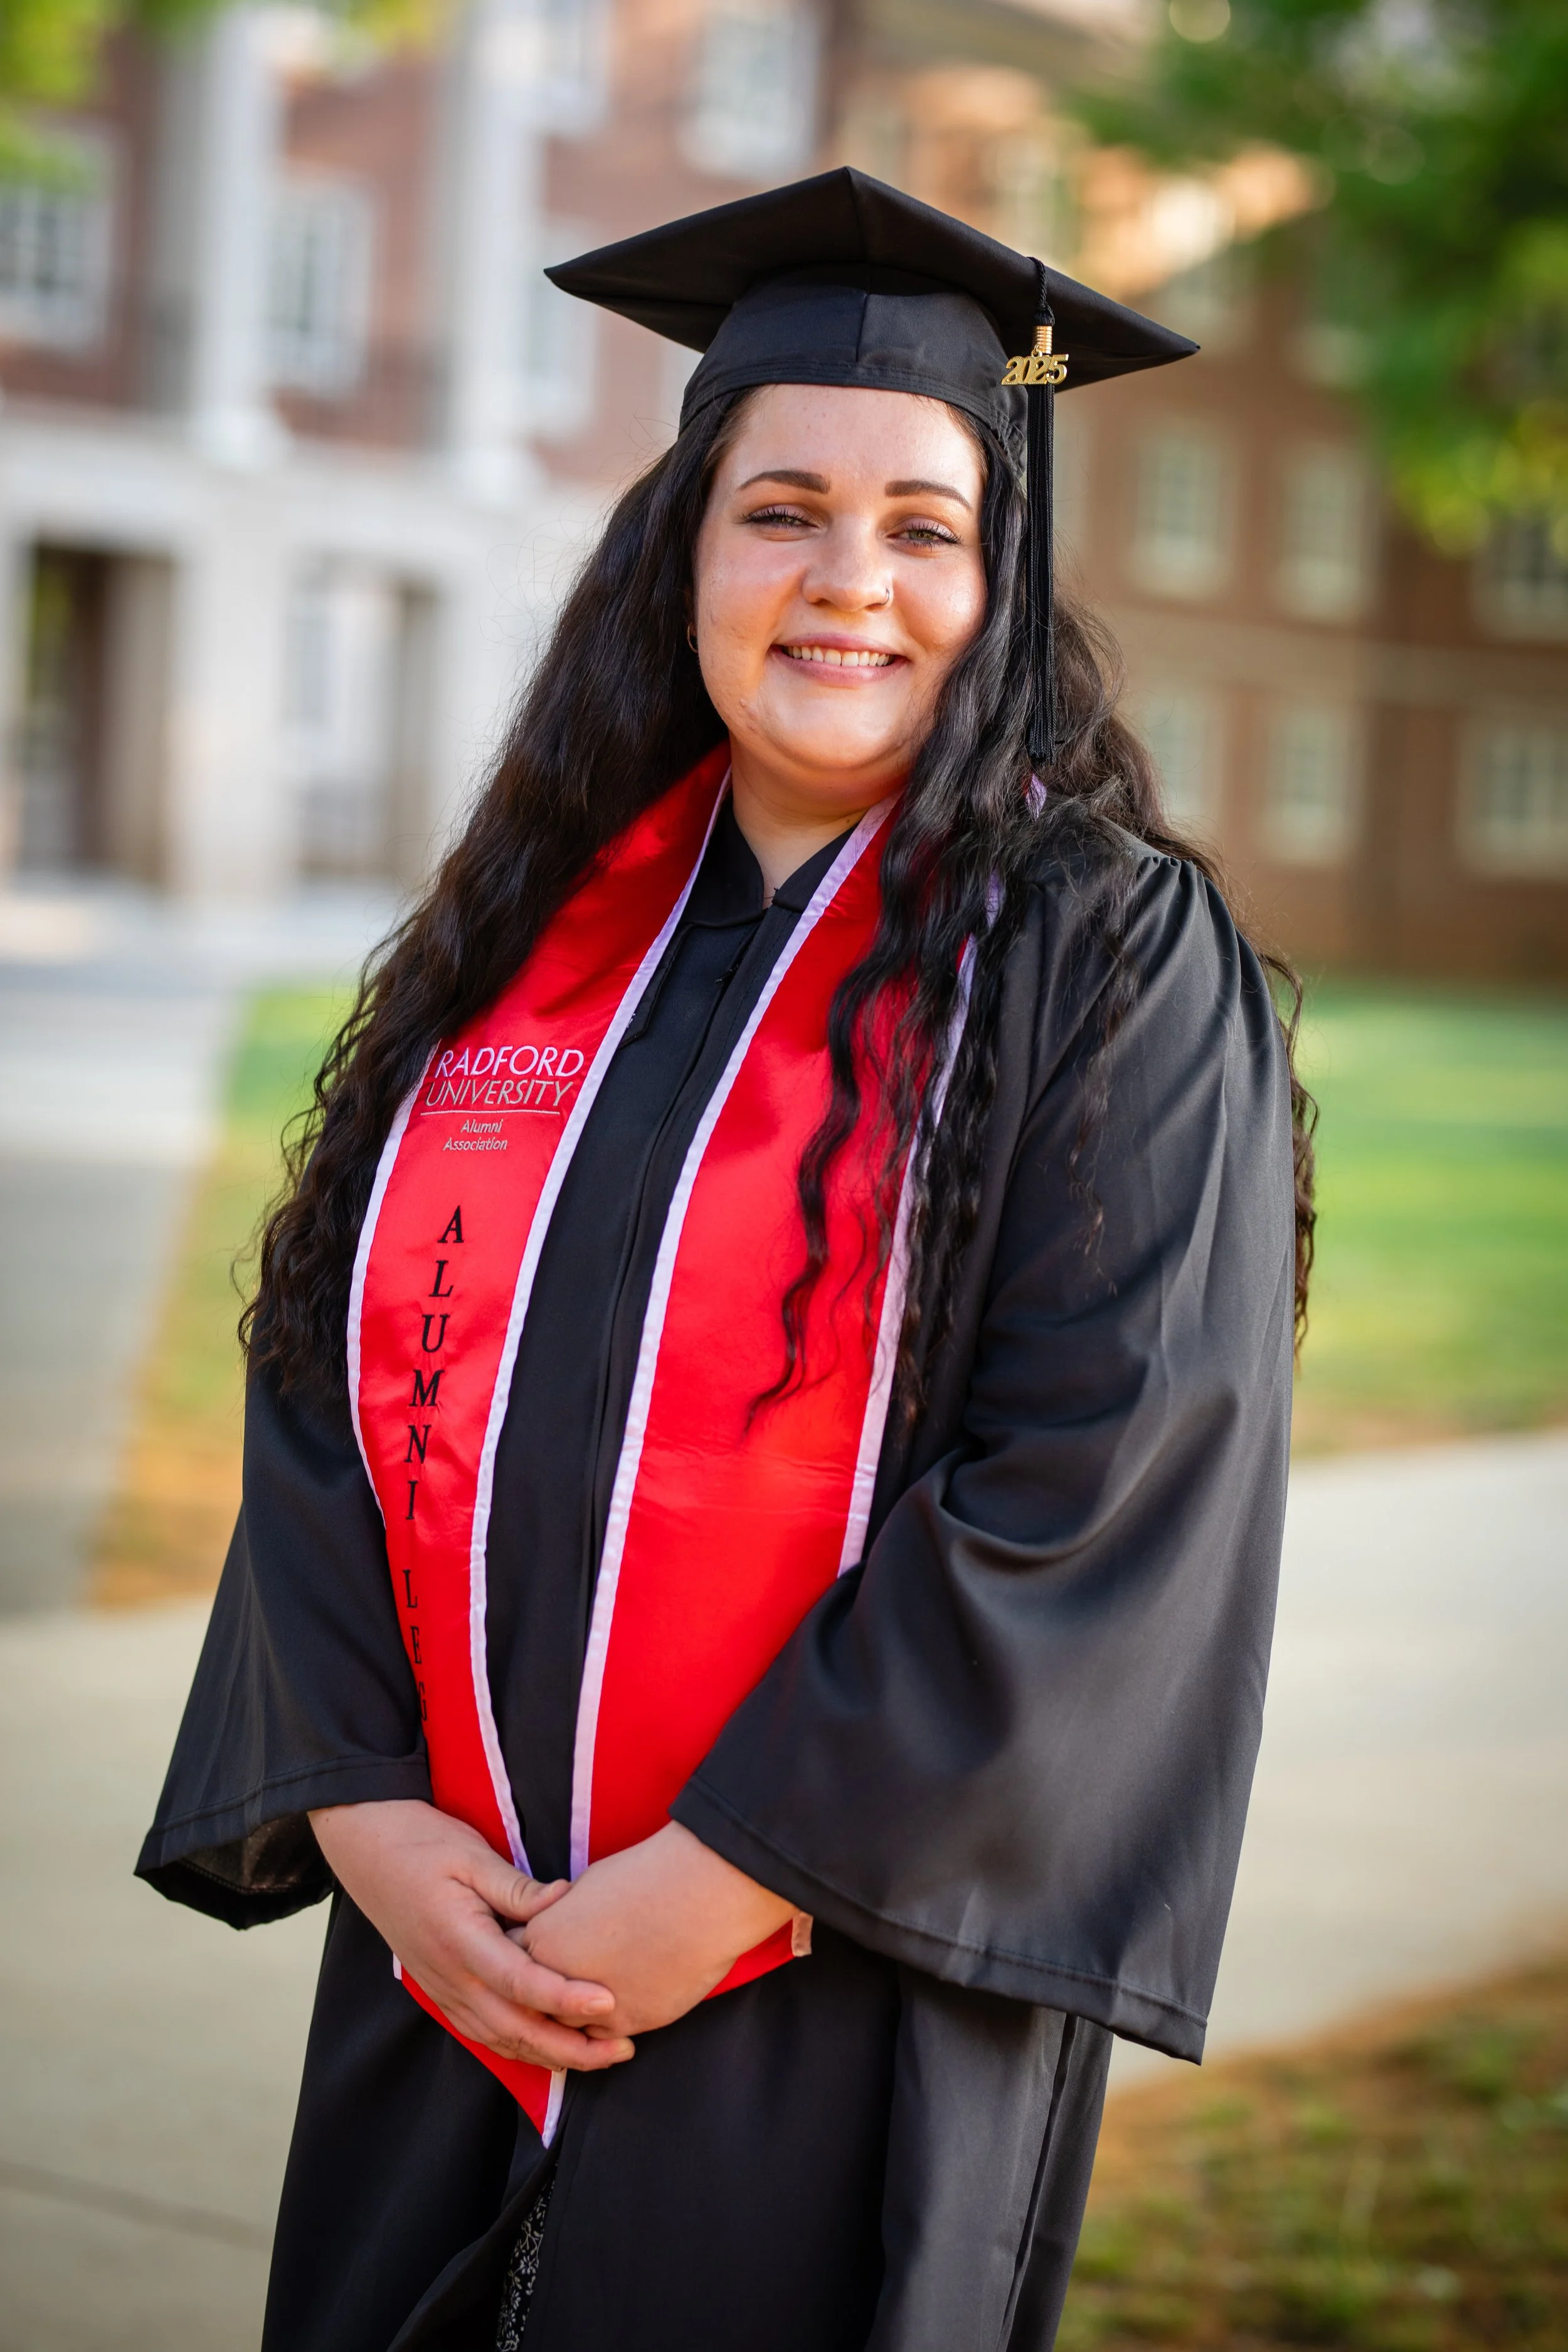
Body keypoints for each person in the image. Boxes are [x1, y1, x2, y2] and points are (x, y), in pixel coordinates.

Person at [138, 169, 1311, 2352]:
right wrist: (370, 1816)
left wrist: (738, 1871)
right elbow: (332, 1381)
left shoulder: (1099, 954)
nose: (845, 581)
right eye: (778, 510)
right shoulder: (523, 949)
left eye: (922, 526)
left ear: (1002, 577)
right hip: (450, 1942)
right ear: (676, 548)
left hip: (837, 1956)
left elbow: (1112, 1459)